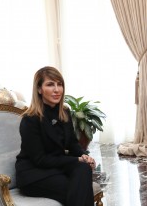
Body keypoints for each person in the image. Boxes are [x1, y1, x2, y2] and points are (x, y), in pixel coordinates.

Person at [15, 66, 96, 206]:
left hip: (56, 167)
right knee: (77, 190)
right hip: (34, 174)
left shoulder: (64, 112)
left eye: (60, 84)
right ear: (39, 89)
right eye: (50, 84)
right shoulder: (30, 119)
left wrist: (84, 156)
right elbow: (40, 160)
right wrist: (76, 160)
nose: (57, 89)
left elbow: (72, 143)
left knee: (84, 168)